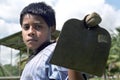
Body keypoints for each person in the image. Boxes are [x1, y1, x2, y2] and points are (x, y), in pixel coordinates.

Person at [20, 2, 101, 80]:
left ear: (52, 28)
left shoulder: (55, 51)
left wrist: (70, 56)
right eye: (26, 27)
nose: (30, 32)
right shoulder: (34, 58)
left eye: (38, 26)